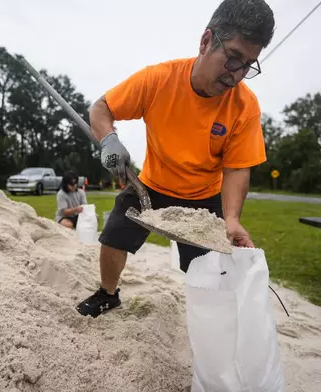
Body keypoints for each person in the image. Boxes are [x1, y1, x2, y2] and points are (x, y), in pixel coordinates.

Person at [76, 0, 275, 318]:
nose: (236, 75)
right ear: (206, 41)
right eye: (233, 58)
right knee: (115, 231)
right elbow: (101, 108)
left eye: (248, 64)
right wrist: (109, 139)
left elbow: (237, 169)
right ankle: (108, 294)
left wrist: (232, 219)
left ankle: (208, 313)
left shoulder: (244, 105)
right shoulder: (159, 80)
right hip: (151, 186)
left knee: (209, 265)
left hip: (204, 197)